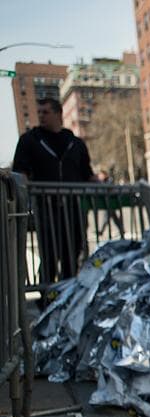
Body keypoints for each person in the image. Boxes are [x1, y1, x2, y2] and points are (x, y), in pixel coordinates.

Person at [12, 97, 96, 282]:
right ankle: (46, 298)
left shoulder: (76, 143)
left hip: (74, 209)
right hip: (46, 208)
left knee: (72, 253)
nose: (41, 116)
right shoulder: (30, 141)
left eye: (46, 112)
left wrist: (102, 187)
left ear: (58, 114)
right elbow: (20, 172)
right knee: (50, 254)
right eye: (39, 112)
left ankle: (67, 294)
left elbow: (87, 173)